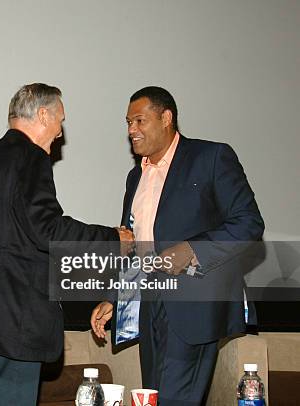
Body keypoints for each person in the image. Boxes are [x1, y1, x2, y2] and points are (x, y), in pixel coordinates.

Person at [0, 83, 133, 406]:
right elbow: (46, 228)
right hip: (14, 320)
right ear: (42, 114)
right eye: (59, 120)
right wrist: (112, 238)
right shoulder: (30, 158)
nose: (59, 132)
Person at [91, 86, 264, 405]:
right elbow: (134, 249)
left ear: (166, 117)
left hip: (193, 306)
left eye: (139, 121)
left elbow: (248, 223)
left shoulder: (211, 157)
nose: (131, 130)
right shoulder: (135, 177)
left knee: (175, 400)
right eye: (128, 123)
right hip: (149, 305)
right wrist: (115, 298)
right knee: (153, 397)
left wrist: (192, 249)